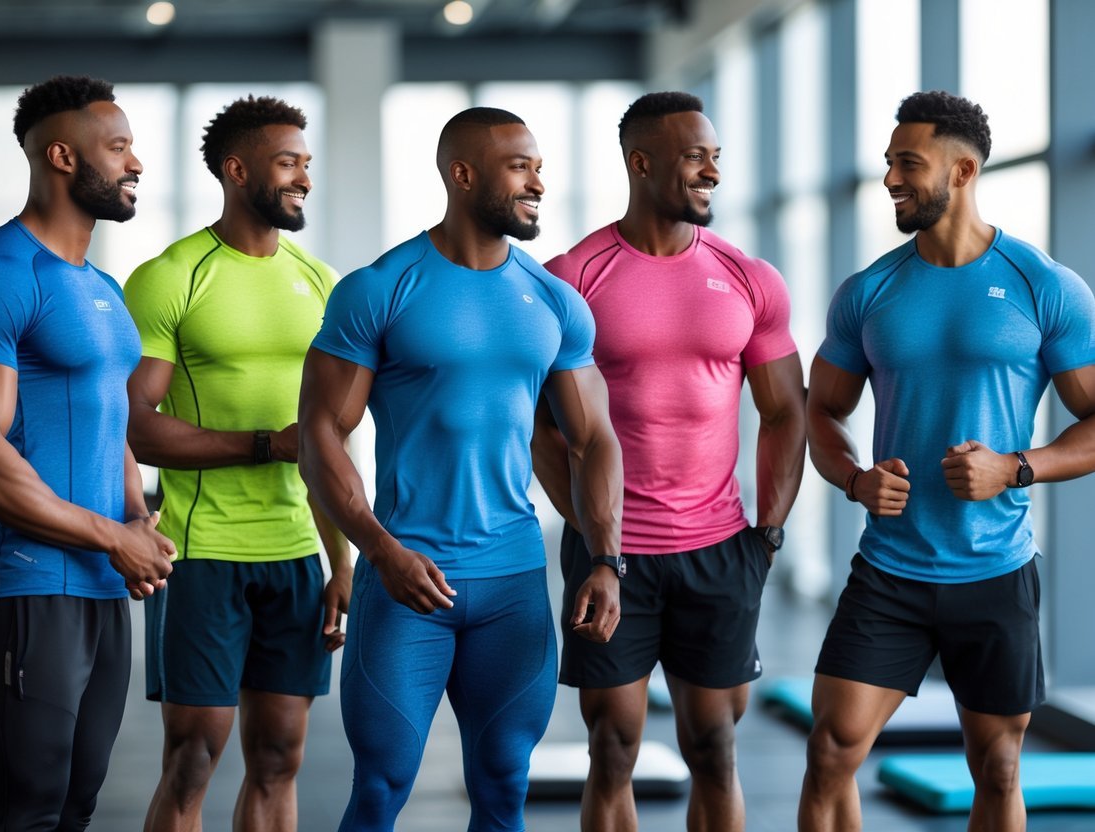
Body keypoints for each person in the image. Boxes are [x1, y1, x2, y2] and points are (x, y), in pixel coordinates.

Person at [297, 106, 624, 832]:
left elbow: (594, 436)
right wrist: (379, 551)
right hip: (405, 578)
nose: (538, 180)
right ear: (462, 173)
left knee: (504, 783)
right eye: (520, 166)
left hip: (512, 583)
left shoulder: (552, 301)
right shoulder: (380, 288)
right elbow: (320, 435)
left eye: (540, 165)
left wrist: (605, 558)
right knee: (381, 784)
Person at [799, 90, 1095, 831]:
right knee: (832, 751)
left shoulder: (1043, 286)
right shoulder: (869, 292)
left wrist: (1015, 468)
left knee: (996, 768)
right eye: (889, 163)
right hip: (889, 570)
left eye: (908, 163)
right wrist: (854, 479)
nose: (891, 178)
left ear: (961, 171)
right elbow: (820, 411)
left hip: (994, 569)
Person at [532, 91, 806, 832]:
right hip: (614, 557)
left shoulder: (747, 276)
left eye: (716, 156)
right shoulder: (572, 276)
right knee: (612, 746)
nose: (712, 170)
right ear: (641, 162)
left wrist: (767, 535)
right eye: (695, 156)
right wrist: (594, 533)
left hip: (720, 549)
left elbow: (785, 410)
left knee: (714, 746)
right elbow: (542, 429)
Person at [0, 75, 175, 831]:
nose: (136, 164)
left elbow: (107, 425)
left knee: (75, 806)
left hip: (100, 589)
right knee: (25, 811)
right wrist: (111, 536)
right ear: (62, 157)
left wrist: (138, 517)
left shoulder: (100, 287)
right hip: (26, 586)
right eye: (119, 147)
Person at [123, 95, 350, 832]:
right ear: (236, 168)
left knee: (281, 757)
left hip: (294, 556)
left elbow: (326, 443)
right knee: (192, 757)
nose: (303, 179)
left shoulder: (320, 282)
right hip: (201, 554)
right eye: (288, 163)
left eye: (306, 165)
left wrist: (339, 556)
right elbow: (135, 428)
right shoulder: (173, 275)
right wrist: (263, 445)